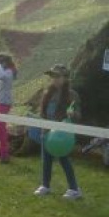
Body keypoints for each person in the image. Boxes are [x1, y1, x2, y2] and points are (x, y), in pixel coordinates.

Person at [35, 64, 82, 199]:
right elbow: (43, 112)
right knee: (46, 160)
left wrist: (72, 114)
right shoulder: (47, 93)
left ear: (65, 78)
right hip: (47, 132)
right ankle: (45, 185)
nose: (54, 79)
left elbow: (78, 115)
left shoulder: (72, 95)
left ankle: (74, 189)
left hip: (61, 136)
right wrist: (43, 126)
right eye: (52, 76)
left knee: (64, 160)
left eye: (57, 76)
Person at [0, 53, 17, 163]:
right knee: (0, 127)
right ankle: (1, 151)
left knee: (1, 127)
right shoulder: (5, 71)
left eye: (0, 63)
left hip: (4, 103)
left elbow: (2, 76)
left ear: (5, 62)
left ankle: (4, 153)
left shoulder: (9, 72)